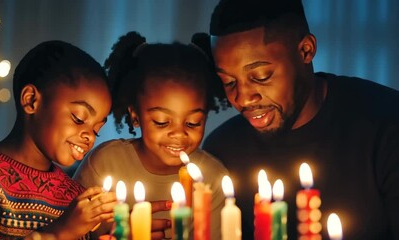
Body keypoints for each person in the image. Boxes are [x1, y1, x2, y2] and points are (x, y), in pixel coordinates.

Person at [196, 0, 399, 239]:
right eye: (229, 82)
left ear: (306, 50)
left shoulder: (387, 124)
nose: (243, 98)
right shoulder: (221, 151)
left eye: (261, 76)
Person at [73, 31, 229, 240]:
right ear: (135, 116)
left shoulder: (212, 177)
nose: (178, 133)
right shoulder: (104, 164)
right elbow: (68, 228)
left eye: (193, 123)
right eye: (162, 122)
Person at [0, 40, 118, 240]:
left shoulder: (75, 196)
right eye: (79, 118)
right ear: (31, 100)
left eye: (97, 129)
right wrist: (60, 232)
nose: (89, 136)